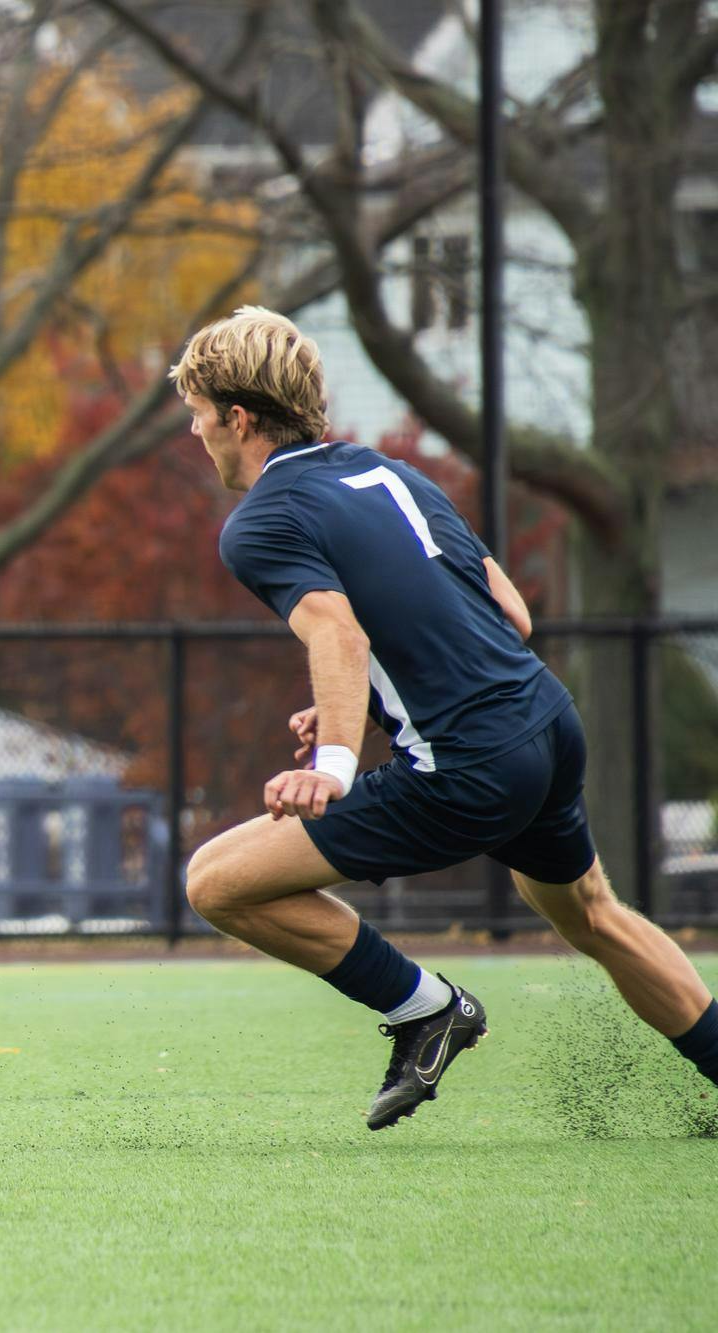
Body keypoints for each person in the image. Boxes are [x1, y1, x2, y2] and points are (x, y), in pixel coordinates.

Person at [174, 306, 718, 1130]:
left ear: (238, 416)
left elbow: (338, 630)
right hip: (547, 722)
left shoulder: (259, 522)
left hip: (471, 769)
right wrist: (352, 697)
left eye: (199, 412)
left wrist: (331, 762)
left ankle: (426, 1008)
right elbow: (508, 614)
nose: (195, 428)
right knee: (596, 916)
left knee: (216, 882)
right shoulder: (390, 475)